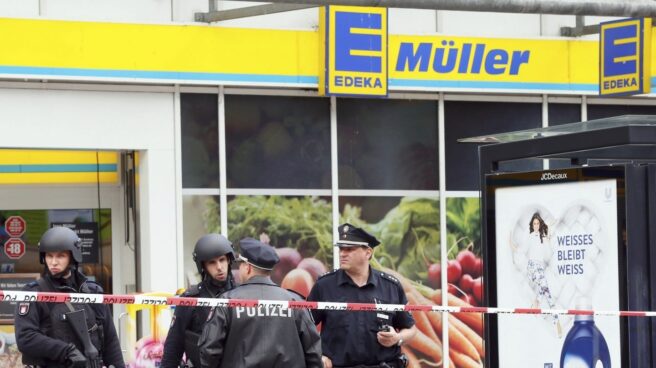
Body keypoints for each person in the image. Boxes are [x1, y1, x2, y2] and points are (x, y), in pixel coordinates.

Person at [199, 238, 322, 368]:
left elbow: (210, 352)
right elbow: (313, 353)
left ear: (247, 268)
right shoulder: (295, 302)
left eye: (240, 264)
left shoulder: (226, 302)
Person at [307, 223, 417, 368]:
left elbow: (411, 329)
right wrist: (318, 354)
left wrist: (397, 338)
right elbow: (304, 327)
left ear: (368, 253)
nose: (342, 253)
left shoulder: (391, 286)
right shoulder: (324, 285)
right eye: (341, 249)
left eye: (349, 249)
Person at [14, 226, 125, 368]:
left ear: (73, 257)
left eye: (60, 256)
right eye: (49, 255)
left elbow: (110, 341)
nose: (53, 262)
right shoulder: (34, 293)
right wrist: (66, 351)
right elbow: (25, 338)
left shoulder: (92, 292)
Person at [161, 234, 236, 368]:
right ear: (203, 266)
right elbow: (173, 347)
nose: (219, 267)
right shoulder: (190, 299)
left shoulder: (242, 296)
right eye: (212, 262)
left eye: (222, 259)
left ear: (229, 260)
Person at [526, 212, 561, 336]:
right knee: (547, 293)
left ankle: (536, 303)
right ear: (532, 225)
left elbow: (548, 242)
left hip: (540, 267)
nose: (536, 225)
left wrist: (549, 228)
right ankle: (557, 324)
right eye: (534, 223)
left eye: (537, 223)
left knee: (545, 291)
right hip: (532, 268)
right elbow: (522, 249)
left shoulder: (542, 237)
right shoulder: (530, 236)